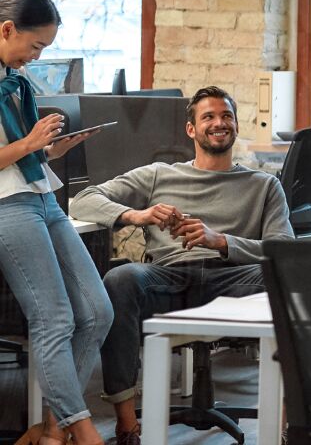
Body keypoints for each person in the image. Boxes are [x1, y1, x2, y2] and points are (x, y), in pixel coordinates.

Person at [70, 86, 293, 445]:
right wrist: (136, 214)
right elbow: (82, 199)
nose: (219, 123)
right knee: (121, 278)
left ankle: (288, 425)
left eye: (226, 116)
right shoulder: (159, 175)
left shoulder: (263, 185)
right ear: (191, 130)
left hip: (233, 280)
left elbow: (284, 251)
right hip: (167, 278)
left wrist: (220, 241)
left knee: (286, 278)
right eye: (209, 117)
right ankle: (127, 425)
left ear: (235, 125)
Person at [0, 0, 112, 445]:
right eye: (35, 46)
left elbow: (21, 152)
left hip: (42, 195)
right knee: (55, 318)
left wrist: (49, 150)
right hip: (7, 206)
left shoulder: (14, 80)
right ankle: (81, 432)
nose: (36, 55)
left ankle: (51, 428)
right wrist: (30, 144)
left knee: (97, 310)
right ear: (7, 29)